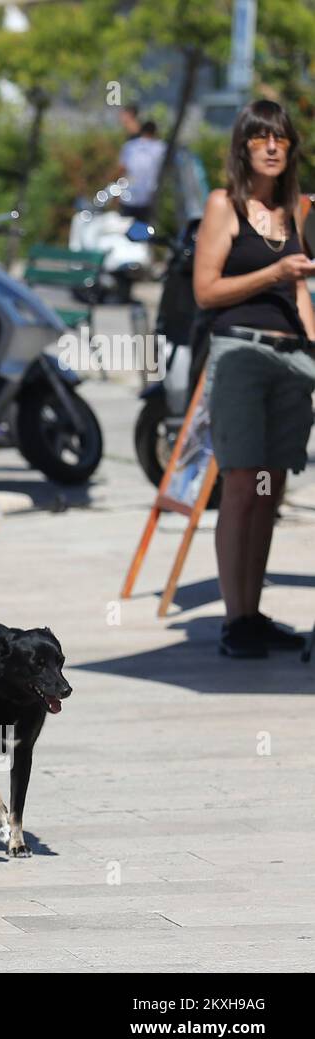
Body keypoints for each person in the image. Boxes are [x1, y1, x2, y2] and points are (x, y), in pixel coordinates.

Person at [193, 100, 315, 659]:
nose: (271, 146)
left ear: (290, 149)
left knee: (272, 491)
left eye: (280, 139)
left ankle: (253, 612)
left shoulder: (298, 211)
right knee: (242, 485)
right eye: (260, 137)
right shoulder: (225, 205)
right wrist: (272, 270)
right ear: (243, 146)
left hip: (293, 360)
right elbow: (206, 291)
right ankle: (235, 618)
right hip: (241, 352)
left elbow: (300, 294)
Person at [116, 119, 166, 223]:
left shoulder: (130, 146)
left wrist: (117, 191)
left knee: (124, 228)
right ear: (155, 132)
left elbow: (121, 169)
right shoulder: (160, 148)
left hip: (128, 196)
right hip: (147, 198)